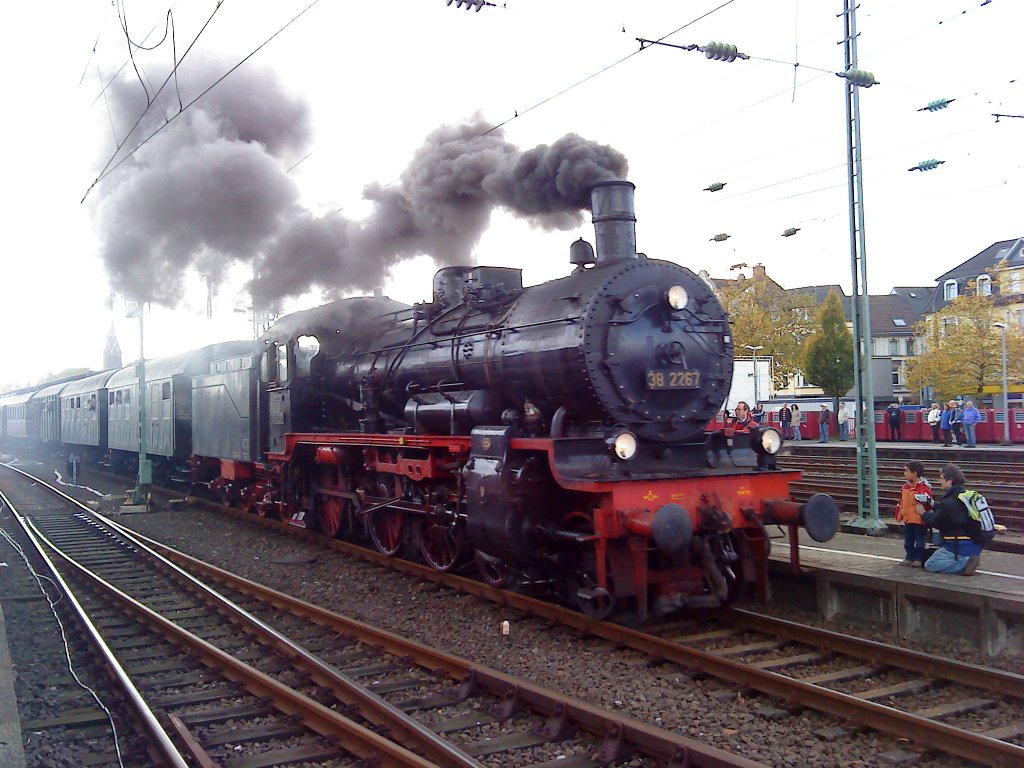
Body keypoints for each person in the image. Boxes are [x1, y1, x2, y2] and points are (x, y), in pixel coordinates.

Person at [922, 463, 982, 576]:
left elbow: (935, 521)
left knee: (930, 564)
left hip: (959, 546)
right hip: (976, 543)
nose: (940, 481)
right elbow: (952, 510)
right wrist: (934, 504)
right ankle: (968, 559)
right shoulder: (964, 496)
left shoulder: (949, 502)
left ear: (950, 481)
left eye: (941, 479)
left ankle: (965, 563)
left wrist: (924, 513)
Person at [895, 460, 932, 567]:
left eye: (906, 471)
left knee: (920, 541)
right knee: (908, 540)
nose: (904, 473)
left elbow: (928, 504)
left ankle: (918, 558)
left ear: (914, 473)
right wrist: (899, 515)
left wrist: (926, 517)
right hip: (908, 519)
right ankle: (909, 556)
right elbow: (901, 502)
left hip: (919, 520)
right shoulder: (905, 487)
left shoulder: (924, 488)